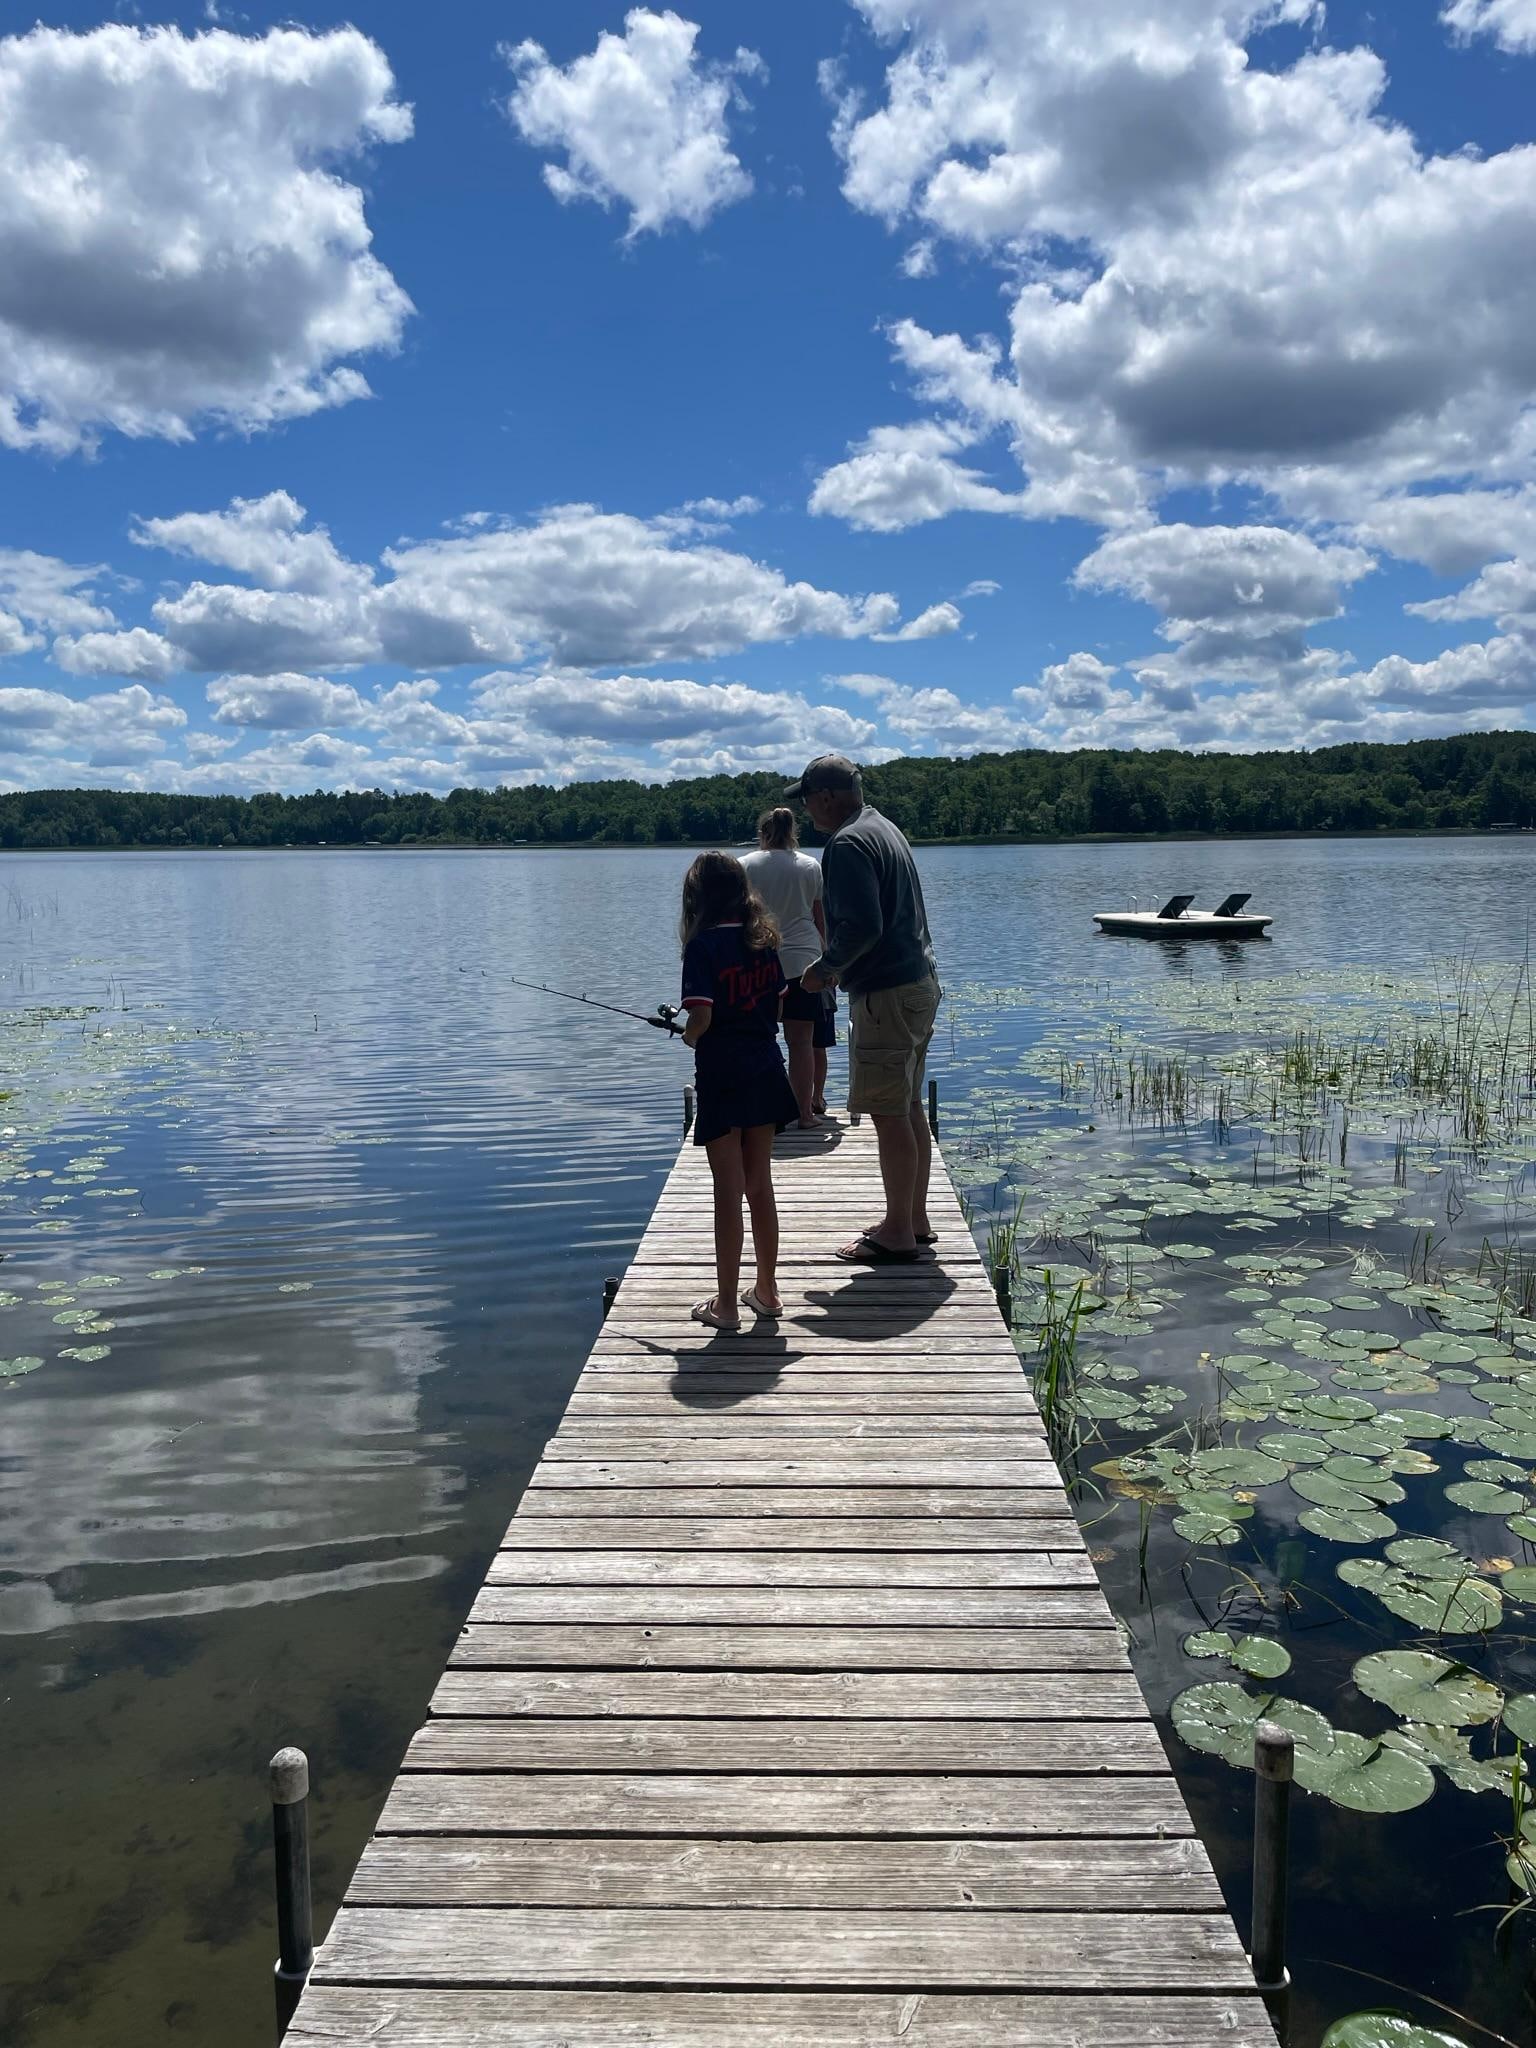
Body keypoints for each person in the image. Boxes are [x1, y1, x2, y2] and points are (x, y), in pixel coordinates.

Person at [790, 754, 940, 1264]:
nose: (806, 809)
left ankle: (897, 1232)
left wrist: (822, 970)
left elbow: (862, 928)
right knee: (907, 1105)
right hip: (918, 984)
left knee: (887, 1111)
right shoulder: (883, 827)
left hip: (886, 995)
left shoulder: (848, 843)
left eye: (807, 799)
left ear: (826, 796)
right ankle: (913, 1219)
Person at [677, 850, 800, 1329]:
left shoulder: (703, 947)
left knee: (726, 1192)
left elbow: (701, 1020)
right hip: (766, 1066)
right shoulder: (764, 942)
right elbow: (778, 1012)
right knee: (759, 1185)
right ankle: (766, 1291)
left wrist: (686, 1033)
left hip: (722, 1073)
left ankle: (726, 1306)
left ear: (699, 898)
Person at [741, 806, 827, 1127]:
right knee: (802, 1042)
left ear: (763, 833)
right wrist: (829, 961)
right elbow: (820, 920)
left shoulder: (744, 865)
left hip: (760, 961)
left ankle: (763, 1113)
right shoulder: (810, 866)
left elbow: (740, 918)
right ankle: (804, 1114)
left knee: (760, 1038)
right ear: (793, 833)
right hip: (804, 961)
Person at [812, 985, 837, 1116]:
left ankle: (804, 1100)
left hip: (795, 993)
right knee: (818, 1047)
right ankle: (817, 1098)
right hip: (823, 996)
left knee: (798, 1048)